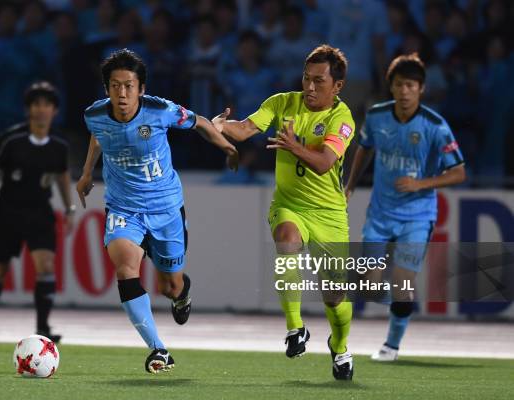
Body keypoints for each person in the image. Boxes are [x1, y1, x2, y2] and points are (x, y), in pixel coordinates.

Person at [76, 49, 238, 374]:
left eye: (129, 86)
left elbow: (200, 123)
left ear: (141, 89)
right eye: (115, 86)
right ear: (106, 89)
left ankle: (182, 293)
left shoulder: (159, 110)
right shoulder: (94, 115)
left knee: (170, 286)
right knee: (125, 269)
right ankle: (158, 349)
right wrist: (85, 173)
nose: (122, 93)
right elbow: (99, 136)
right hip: (124, 208)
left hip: (166, 210)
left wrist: (227, 146)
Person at [213, 45, 355, 380]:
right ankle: (295, 329)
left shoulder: (342, 118)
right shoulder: (282, 103)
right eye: (306, 78)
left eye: (319, 81)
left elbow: (323, 164)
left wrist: (295, 147)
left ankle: (340, 344)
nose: (309, 87)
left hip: (330, 213)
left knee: (334, 297)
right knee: (286, 240)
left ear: (337, 86)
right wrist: (219, 126)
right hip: (290, 204)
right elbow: (246, 129)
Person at [345, 53, 465, 361]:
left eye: (410, 85)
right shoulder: (377, 116)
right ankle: (401, 301)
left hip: (417, 216)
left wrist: (421, 184)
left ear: (421, 88)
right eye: (399, 85)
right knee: (370, 290)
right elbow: (365, 149)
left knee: (401, 285)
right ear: (391, 86)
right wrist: (351, 184)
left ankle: (392, 345)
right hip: (381, 214)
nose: (404, 91)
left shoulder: (435, 126)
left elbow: (459, 172)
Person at [0, 81, 74, 343]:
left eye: (47, 105)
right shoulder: (11, 139)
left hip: (40, 213)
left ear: (54, 110)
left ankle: (43, 328)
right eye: (36, 104)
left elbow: (63, 178)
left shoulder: (59, 145)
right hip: (8, 211)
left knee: (46, 266)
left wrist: (69, 209)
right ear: (29, 109)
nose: (42, 110)